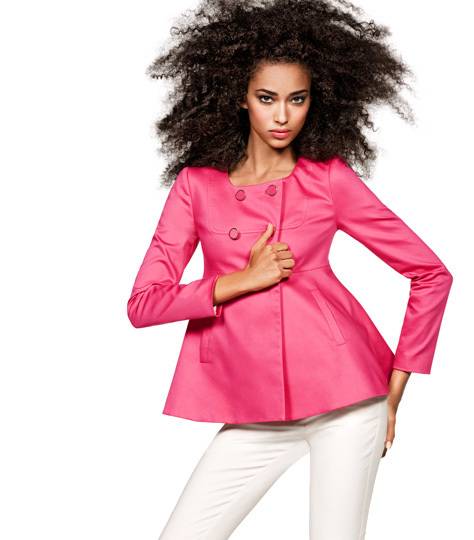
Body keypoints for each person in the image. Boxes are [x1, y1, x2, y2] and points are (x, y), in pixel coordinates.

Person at [126, 0, 454, 538]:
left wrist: (396, 388)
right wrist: (240, 281)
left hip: (348, 398)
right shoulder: (196, 186)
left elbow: (431, 274)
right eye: (267, 98)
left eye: (297, 99)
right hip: (252, 407)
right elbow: (143, 305)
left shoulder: (328, 180)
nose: (282, 116)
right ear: (239, 96)